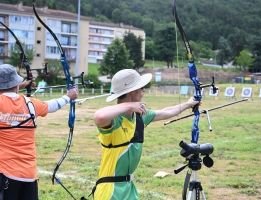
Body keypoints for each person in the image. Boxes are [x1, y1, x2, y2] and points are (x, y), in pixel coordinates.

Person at [93, 69, 201, 200]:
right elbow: (99, 117)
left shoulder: (138, 116)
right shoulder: (114, 121)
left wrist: (188, 104)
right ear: (133, 91)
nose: (144, 90)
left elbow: (166, 112)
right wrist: (129, 106)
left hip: (129, 188)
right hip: (110, 191)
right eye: (142, 87)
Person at [0, 64, 78, 200]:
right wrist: (68, 96)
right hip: (29, 175)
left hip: (5, 174)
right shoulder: (30, 103)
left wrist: (21, 85)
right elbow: (53, 105)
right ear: (16, 85)